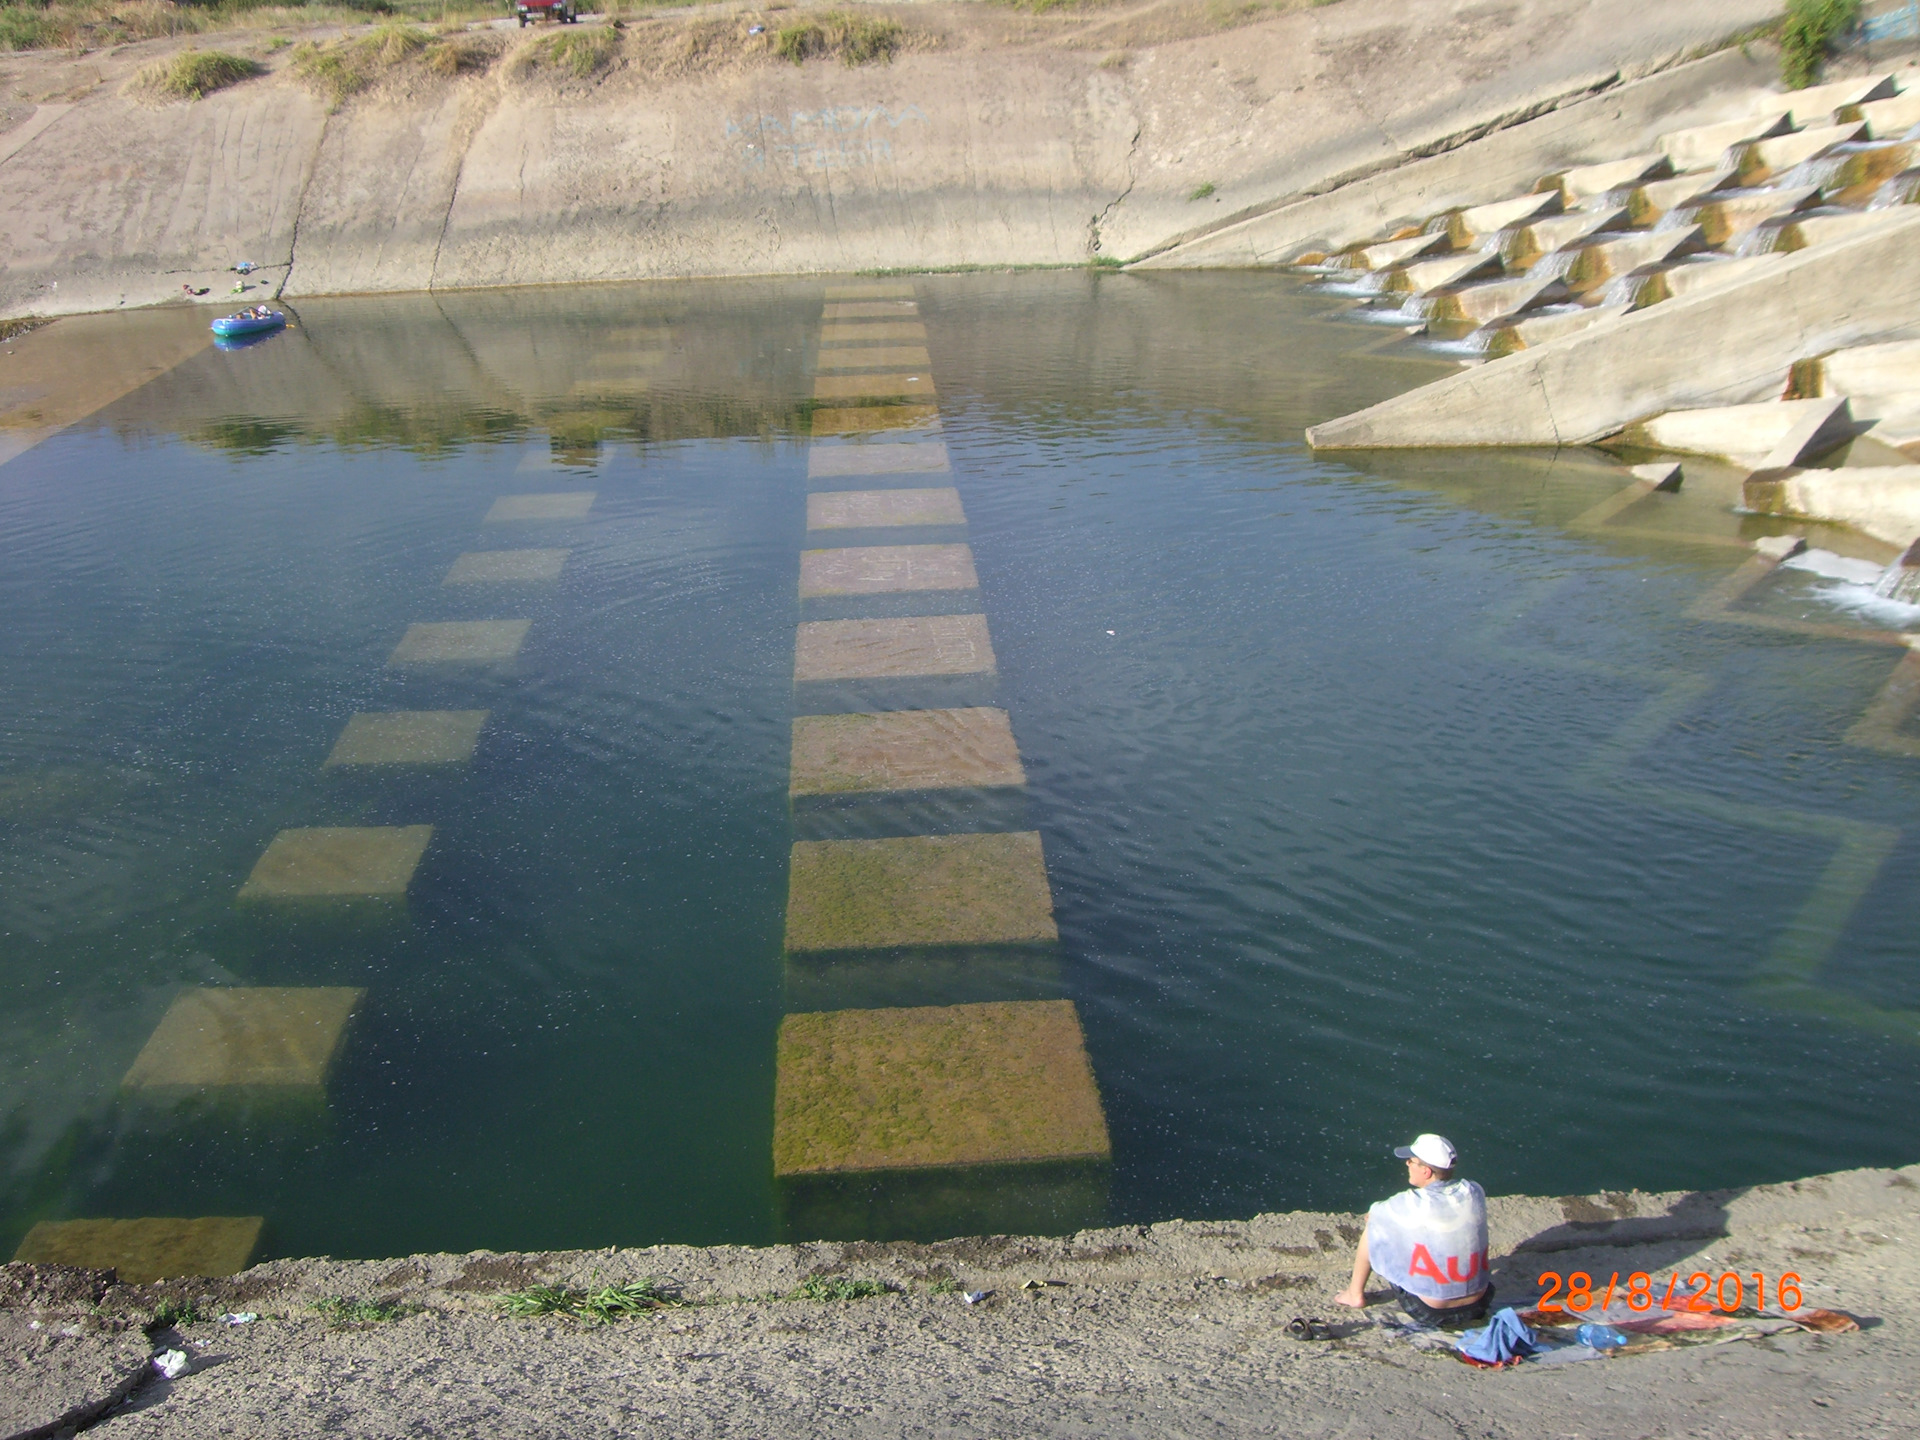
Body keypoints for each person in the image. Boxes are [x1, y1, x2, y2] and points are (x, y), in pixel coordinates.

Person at [1332, 1133, 1492, 1327]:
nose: (1407, 1163)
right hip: (1480, 1303)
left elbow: (1374, 1215)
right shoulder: (1474, 1190)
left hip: (1432, 1311)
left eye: (1411, 1161)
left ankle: (1354, 1294)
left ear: (1426, 1171)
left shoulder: (1409, 1202)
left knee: (1374, 1226)